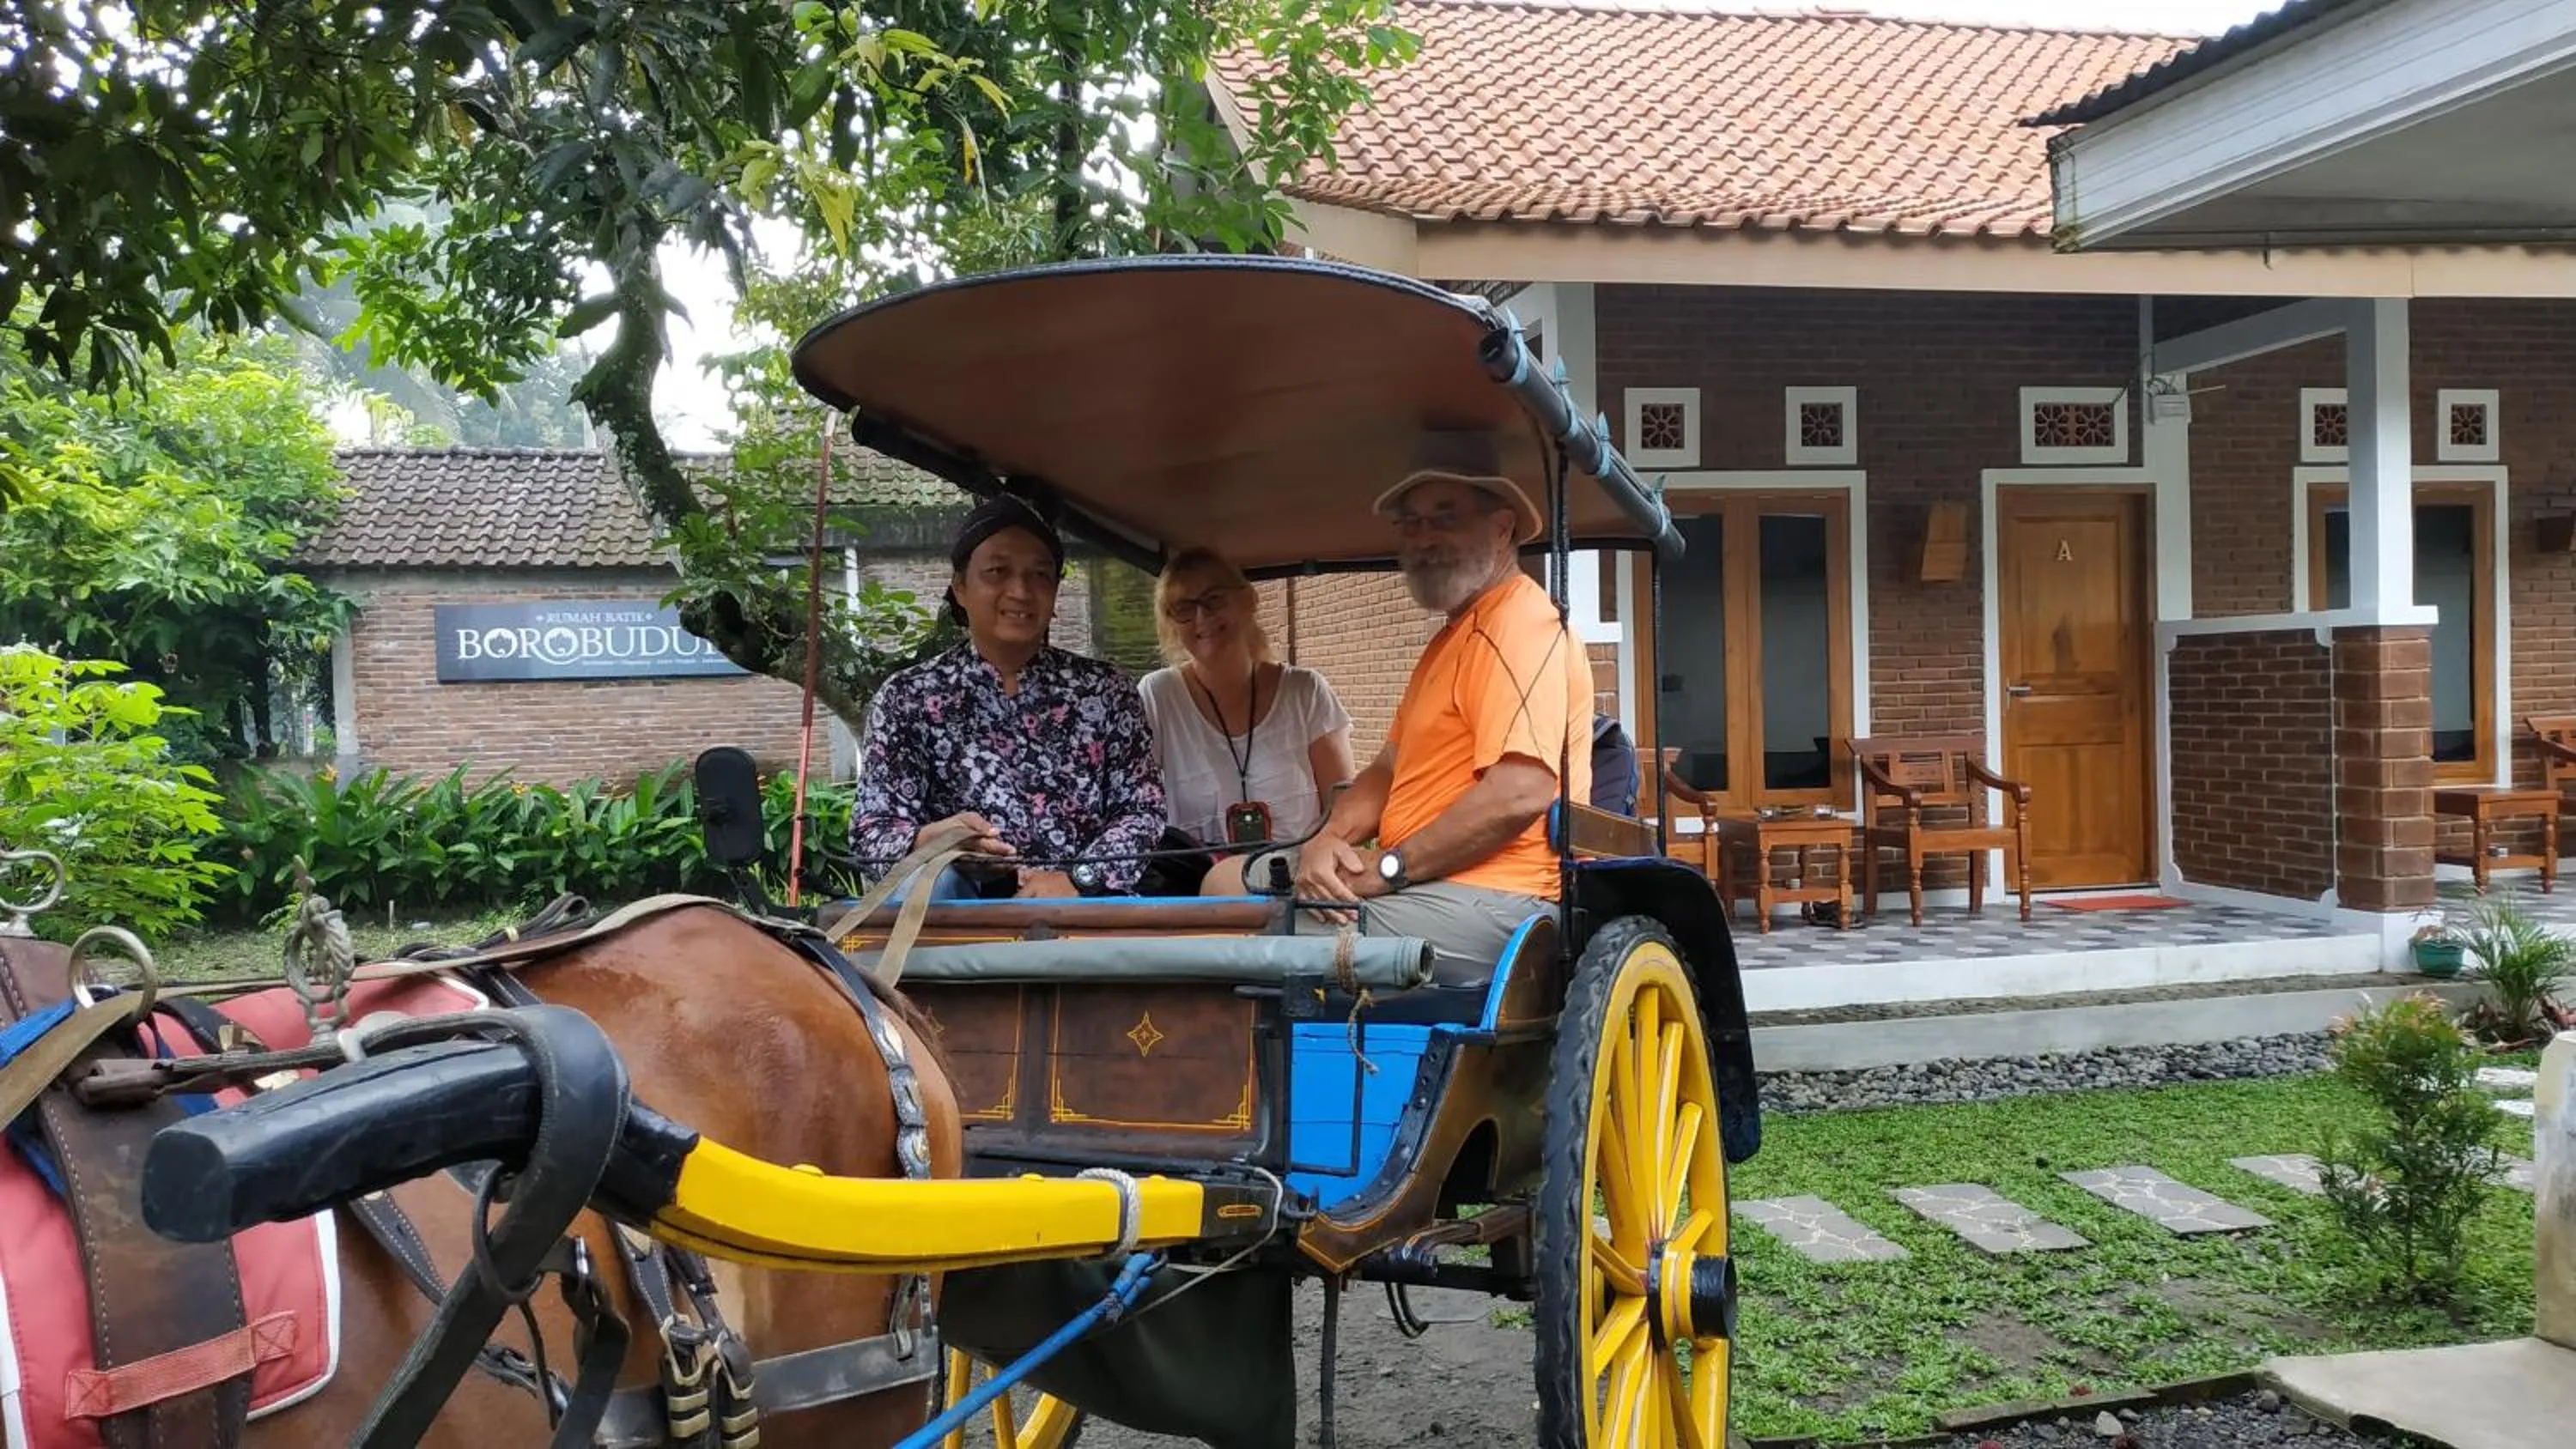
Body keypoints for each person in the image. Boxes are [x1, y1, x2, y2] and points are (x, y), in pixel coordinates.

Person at [1232, 431, 1591, 977]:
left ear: (1501, 528)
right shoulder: (1454, 636)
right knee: (1220, 884)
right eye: (1411, 523)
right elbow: (1387, 768)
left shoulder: (1521, 623)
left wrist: (1387, 869)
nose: (1423, 539)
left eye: (1445, 518)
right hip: (1424, 883)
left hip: (1497, 900)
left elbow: (1523, 790)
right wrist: (1326, 842)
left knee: (1245, 933)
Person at [848, 494, 1166, 898]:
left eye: (1039, 575)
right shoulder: (908, 698)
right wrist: (934, 838)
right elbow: (872, 832)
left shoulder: (1106, 691)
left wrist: (1077, 882)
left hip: (1088, 918)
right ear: (960, 588)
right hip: (959, 931)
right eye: (997, 571)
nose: (1020, 590)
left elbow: (1142, 810)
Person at [1138, 547, 1356, 866]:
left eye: (1214, 599)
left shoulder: (1304, 692)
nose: (1202, 617)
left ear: (1248, 601)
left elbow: (1342, 806)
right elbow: (1132, 806)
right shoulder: (1158, 696)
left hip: (1298, 884)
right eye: (1183, 608)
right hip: (1198, 891)